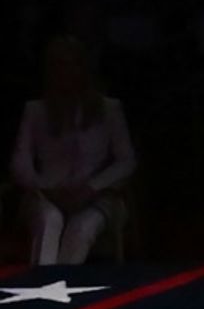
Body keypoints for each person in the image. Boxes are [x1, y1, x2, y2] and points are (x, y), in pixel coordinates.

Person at [11, 36, 137, 264]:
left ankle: (64, 288)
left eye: (71, 64)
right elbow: (20, 163)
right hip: (46, 195)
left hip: (97, 197)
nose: (66, 72)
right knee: (49, 220)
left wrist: (91, 187)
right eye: (59, 65)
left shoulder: (109, 110)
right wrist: (47, 188)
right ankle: (42, 286)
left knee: (82, 227)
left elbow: (126, 161)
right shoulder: (36, 111)